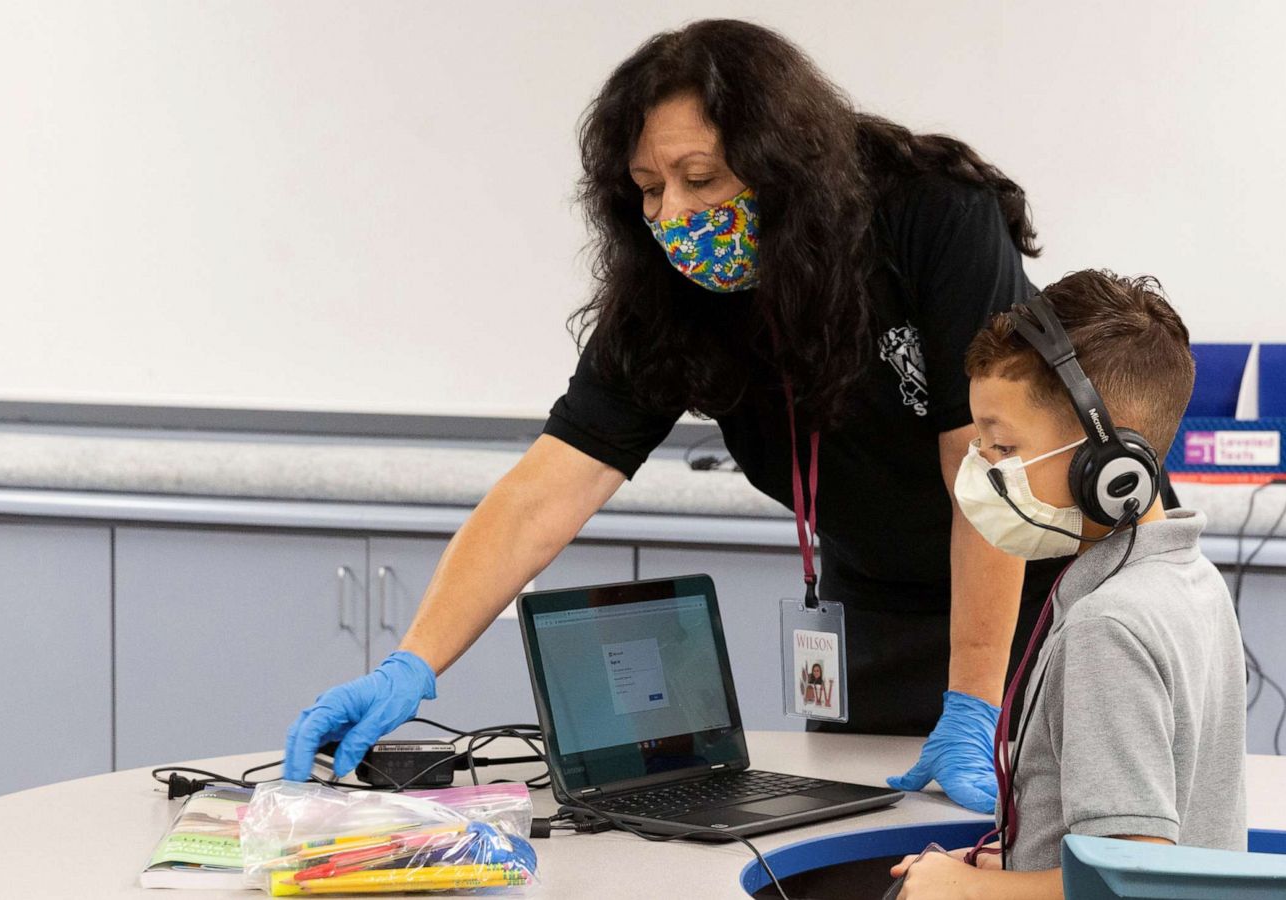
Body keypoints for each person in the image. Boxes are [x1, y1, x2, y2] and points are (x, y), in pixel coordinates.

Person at [282, 18, 1062, 811]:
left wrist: (974, 705)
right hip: (877, 604)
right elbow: (542, 494)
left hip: (1039, 587)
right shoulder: (667, 302)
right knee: (860, 847)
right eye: (650, 189)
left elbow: (990, 477)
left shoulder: (931, 217)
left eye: (701, 177)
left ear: (783, 167)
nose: (676, 215)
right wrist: (412, 662)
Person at [889, 271, 1246, 899]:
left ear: (1108, 466)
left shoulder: (1107, 626)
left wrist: (967, 892)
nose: (981, 469)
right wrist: (1026, 861)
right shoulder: (1192, 582)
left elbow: (1133, 884)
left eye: (1001, 445)